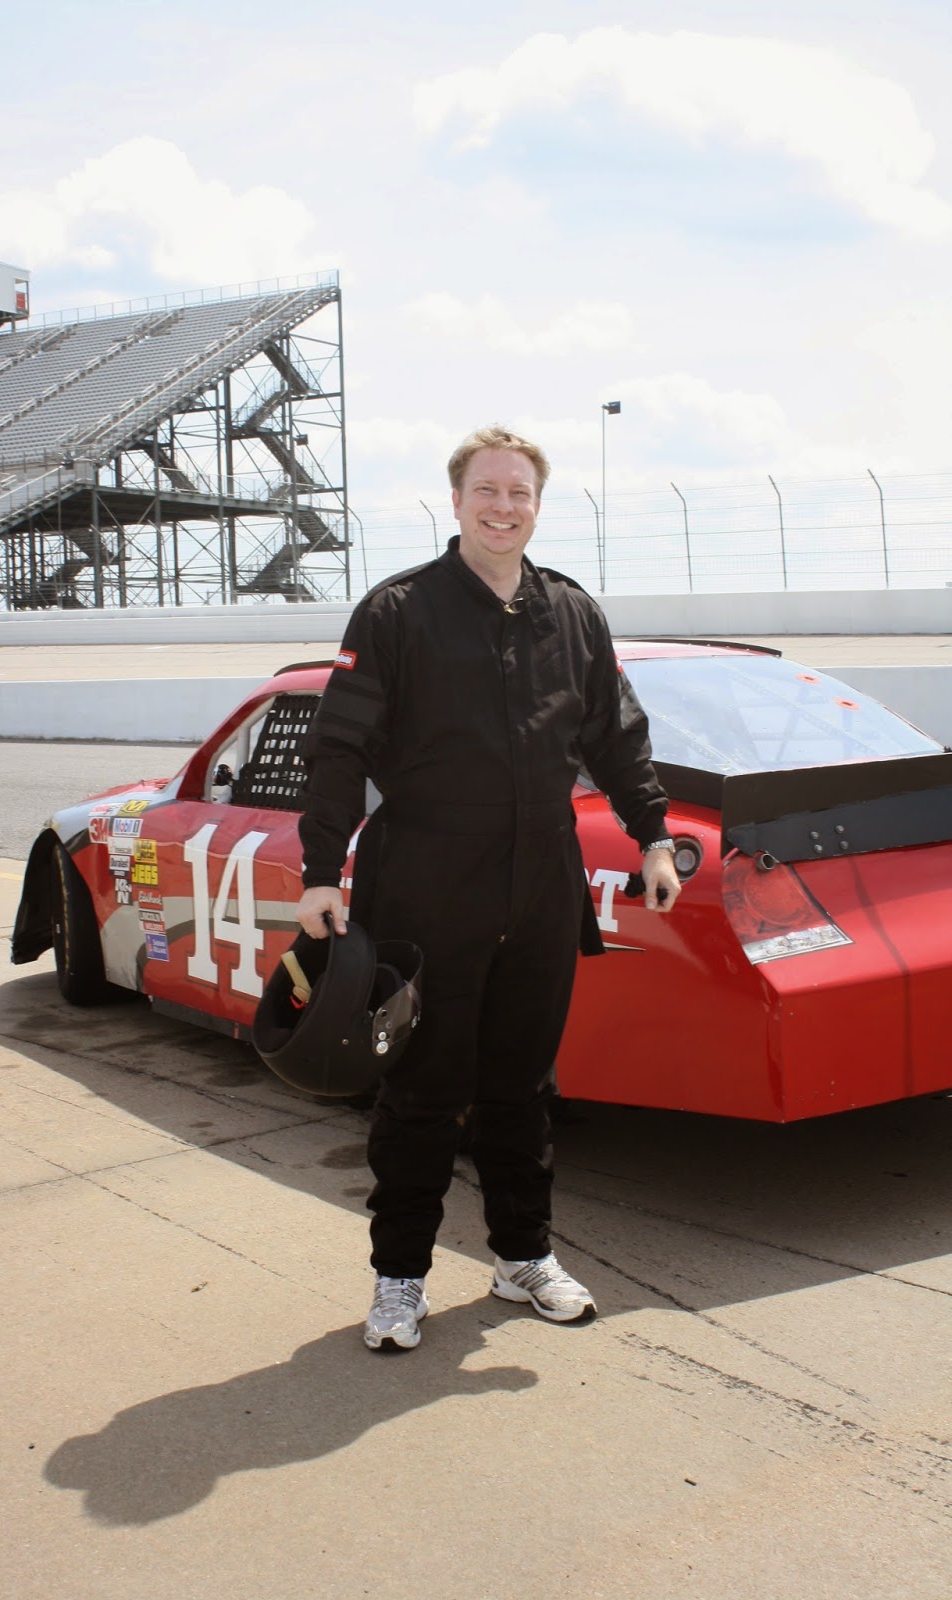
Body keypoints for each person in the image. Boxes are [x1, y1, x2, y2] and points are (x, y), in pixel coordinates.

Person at [296, 425, 680, 1351]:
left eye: (519, 493)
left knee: (523, 1086)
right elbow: (339, 750)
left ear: (537, 506)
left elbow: (616, 735)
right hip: (425, 883)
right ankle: (400, 1277)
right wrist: (320, 871)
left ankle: (522, 1256)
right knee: (422, 1090)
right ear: (457, 499)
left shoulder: (572, 614)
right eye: (487, 490)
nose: (503, 508)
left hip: (540, 882)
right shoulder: (396, 612)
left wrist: (654, 836)